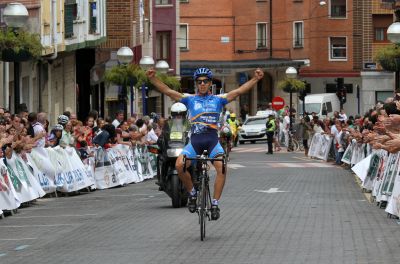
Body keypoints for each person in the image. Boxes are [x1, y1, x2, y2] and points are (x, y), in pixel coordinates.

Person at [147, 67, 264, 220]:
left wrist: (255, 79)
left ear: (210, 83)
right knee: (179, 165)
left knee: (222, 167)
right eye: (199, 82)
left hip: (212, 141)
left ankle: (215, 203)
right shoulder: (189, 99)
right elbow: (168, 91)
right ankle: (193, 194)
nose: (202, 84)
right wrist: (152, 79)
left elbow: (239, 91)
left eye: (205, 81)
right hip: (195, 142)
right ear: (196, 84)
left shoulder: (218, 99)